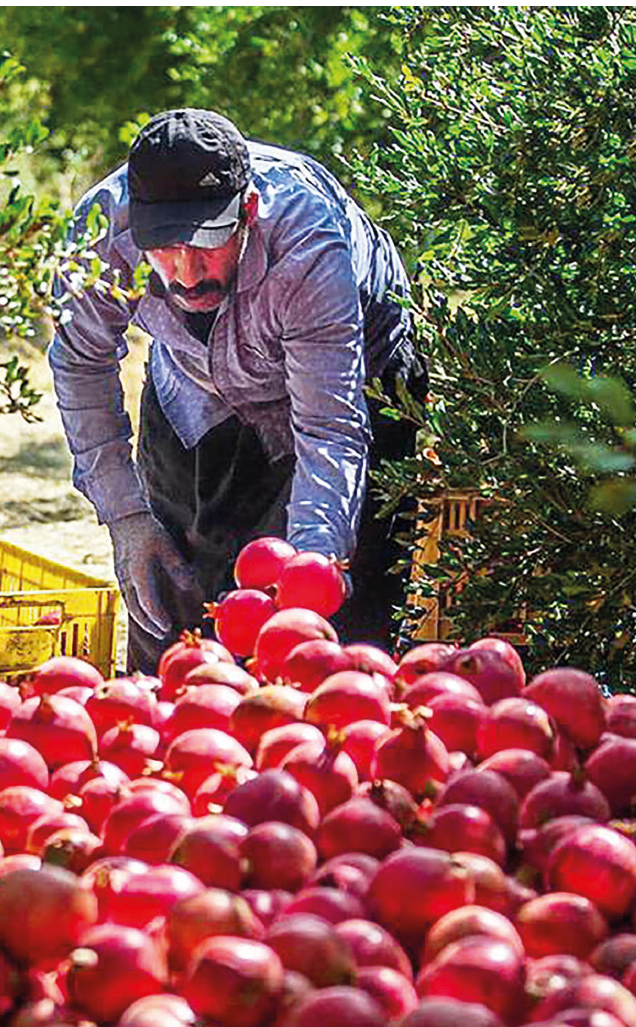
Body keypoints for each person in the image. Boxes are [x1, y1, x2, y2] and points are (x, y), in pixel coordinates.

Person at [48, 108, 426, 674]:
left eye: (206, 243)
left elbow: (331, 429)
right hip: (196, 375)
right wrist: (128, 519)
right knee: (180, 603)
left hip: (354, 370)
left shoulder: (308, 244)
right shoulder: (101, 236)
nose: (186, 272)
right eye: (164, 248)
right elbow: (80, 365)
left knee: (340, 631)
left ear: (247, 212)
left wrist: (311, 580)